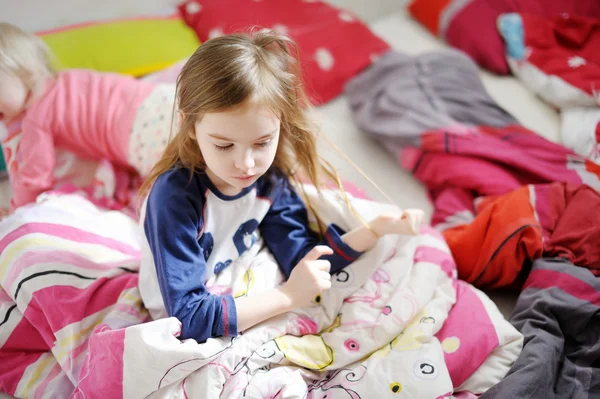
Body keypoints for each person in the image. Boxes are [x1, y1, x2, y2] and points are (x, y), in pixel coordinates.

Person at [137, 29, 425, 343]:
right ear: (189, 126)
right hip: (190, 316)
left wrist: (375, 229)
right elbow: (188, 317)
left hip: (234, 288)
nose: (246, 164)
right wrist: (288, 296)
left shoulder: (270, 179)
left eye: (262, 143)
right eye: (224, 146)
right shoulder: (174, 198)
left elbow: (303, 262)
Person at [0, 22, 177, 213]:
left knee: (179, 185)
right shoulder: (71, 77)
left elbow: (35, 178)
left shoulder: (35, 119)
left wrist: (17, 210)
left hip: (143, 133)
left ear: (25, 72)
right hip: (163, 98)